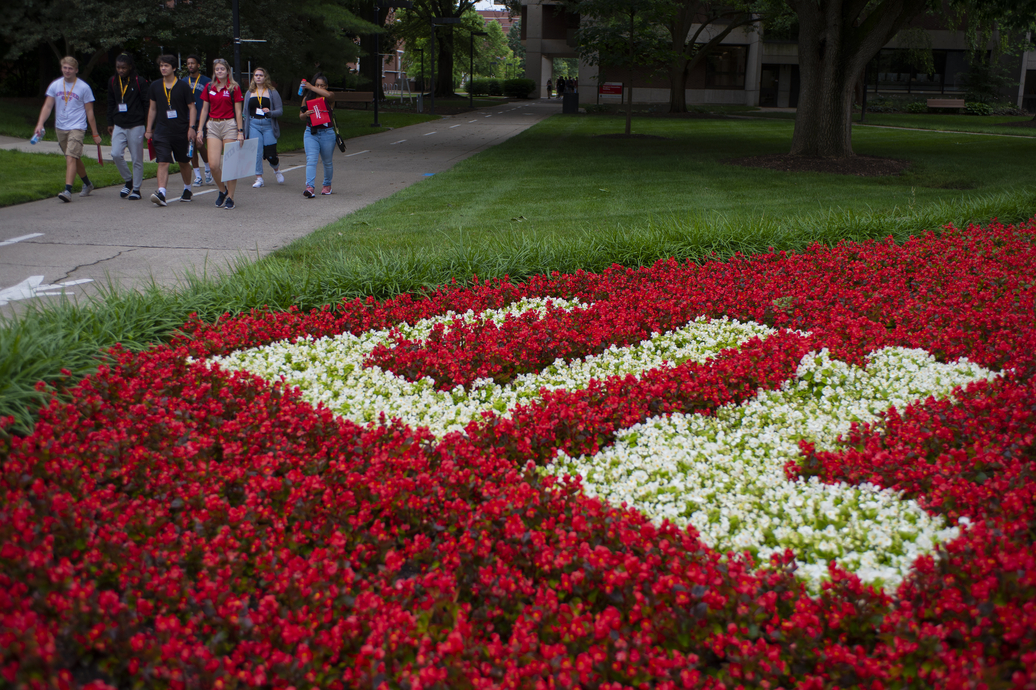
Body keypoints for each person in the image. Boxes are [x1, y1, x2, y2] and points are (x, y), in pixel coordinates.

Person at [33, 56, 102, 203]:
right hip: (61, 127)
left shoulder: (84, 87)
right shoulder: (55, 85)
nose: (67, 70)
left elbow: (90, 113)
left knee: (71, 157)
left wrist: (95, 133)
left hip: (77, 127)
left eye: (70, 68)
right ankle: (88, 184)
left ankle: (67, 191)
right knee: (73, 158)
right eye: (65, 67)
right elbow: (47, 106)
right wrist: (40, 124)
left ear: (76, 70)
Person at [144, 54, 196, 206]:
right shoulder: (155, 86)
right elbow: (152, 109)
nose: (163, 68)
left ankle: (187, 188)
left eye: (166, 66)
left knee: (184, 162)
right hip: (162, 130)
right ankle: (161, 193)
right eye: (161, 66)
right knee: (163, 161)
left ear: (174, 68)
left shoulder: (183, 86)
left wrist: (192, 128)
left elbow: (192, 108)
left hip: (181, 130)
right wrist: (149, 129)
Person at [196, 58, 245, 210]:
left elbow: (238, 111)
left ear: (227, 71)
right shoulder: (209, 86)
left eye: (222, 69)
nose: (219, 72)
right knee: (213, 164)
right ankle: (222, 190)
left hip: (229, 124)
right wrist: (199, 129)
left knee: (230, 163)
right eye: (217, 69)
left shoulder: (234, 87)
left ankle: (231, 196)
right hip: (213, 125)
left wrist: (240, 131)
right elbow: (204, 109)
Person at [107, 53, 148, 200]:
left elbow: (147, 104)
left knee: (137, 158)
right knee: (116, 154)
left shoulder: (139, 81)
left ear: (130, 67)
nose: (121, 70)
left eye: (123, 67)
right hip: (119, 123)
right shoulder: (113, 81)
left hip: (136, 124)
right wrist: (110, 122)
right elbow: (111, 102)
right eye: (118, 67)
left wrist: (149, 126)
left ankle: (136, 189)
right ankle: (128, 180)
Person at [243, 67, 284, 188]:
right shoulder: (249, 92)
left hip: (268, 124)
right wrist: (243, 130)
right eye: (256, 75)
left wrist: (270, 112)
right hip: (254, 124)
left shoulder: (272, 92)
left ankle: (276, 170)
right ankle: (259, 178)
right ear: (253, 78)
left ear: (265, 77)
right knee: (257, 152)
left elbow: (280, 111)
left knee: (271, 154)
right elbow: (245, 112)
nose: (258, 77)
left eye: (261, 75)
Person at [299, 73, 336, 198]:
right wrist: (306, 115)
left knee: (327, 162)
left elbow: (328, 95)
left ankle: (327, 185)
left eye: (322, 86)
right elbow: (301, 116)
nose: (319, 88)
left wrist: (311, 86)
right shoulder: (307, 98)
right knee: (311, 160)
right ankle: (309, 187)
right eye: (317, 85)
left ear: (326, 86)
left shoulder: (329, 97)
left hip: (327, 133)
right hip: (311, 132)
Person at [182, 55, 213, 187]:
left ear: (198, 65)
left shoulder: (207, 81)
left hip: (202, 118)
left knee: (200, 144)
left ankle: (208, 168)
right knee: (191, 148)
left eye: (193, 63)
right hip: (188, 119)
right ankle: (197, 176)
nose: (190, 66)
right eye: (188, 63)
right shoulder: (183, 82)